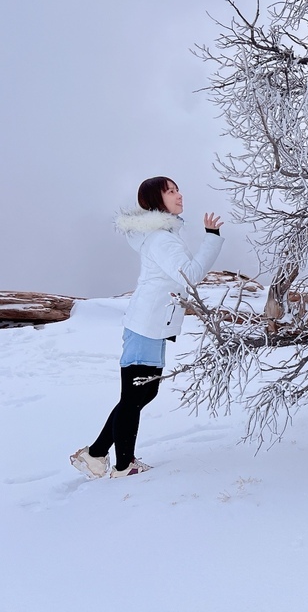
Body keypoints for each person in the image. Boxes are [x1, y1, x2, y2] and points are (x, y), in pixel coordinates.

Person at [70, 177, 224, 478]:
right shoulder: (161, 239)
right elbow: (189, 275)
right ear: (156, 200)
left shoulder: (161, 234)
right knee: (134, 396)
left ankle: (96, 455)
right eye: (170, 191)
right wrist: (212, 237)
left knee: (142, 394)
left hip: (151, 324)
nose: (179, 195)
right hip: (146, 324)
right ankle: (121, 464)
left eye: (178, 189)